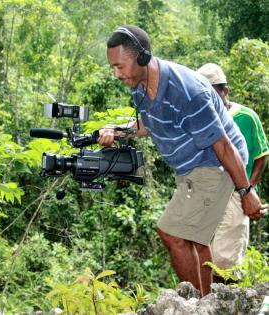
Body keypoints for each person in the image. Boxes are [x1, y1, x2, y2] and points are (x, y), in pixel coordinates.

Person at [97, 25, 267, 296]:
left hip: (215, 162)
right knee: (198, 241)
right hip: (191, 165)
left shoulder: (187, 91)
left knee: (173, 234)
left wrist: (246, 192)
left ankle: (200, 305)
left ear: (141, 58)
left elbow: (223, 146)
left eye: (119, 66)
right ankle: (210, 300)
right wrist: (117, 130)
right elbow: (147, 123)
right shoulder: (139, 86)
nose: (116, 74)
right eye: (112, 68)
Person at [197, 63, 269, 277]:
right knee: (203, 254)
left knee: (226, 259)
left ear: (224, 91)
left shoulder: (246, 117)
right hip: (205, 192)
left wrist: (248, 188)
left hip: (235, 192)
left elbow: (261, 155)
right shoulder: (199, 119)